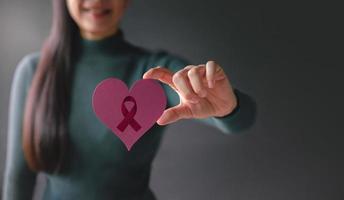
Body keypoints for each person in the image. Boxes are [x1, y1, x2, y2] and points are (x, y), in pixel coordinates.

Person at [2, 0, 256, 199]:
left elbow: (240, 121)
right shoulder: (35, 71)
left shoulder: (155, 72)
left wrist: (227, 107)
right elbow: (19, 176)